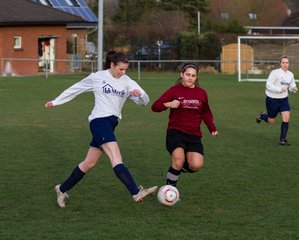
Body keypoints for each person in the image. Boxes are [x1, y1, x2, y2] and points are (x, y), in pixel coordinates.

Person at [45, 50, 157, 208]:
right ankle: (135, 191)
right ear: (112, 65)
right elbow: (75, 88)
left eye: (125, 69)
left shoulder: (127, 81)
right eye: (120, 69)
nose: (123, 72)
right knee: (116, 156)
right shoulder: (97, 77)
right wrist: (56, 102)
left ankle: (61, 189)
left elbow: (144, 101)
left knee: (89, 163)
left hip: (111, 124)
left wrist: (139, 95)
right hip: (99, 121)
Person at [151, 62, 218, 187]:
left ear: (196, 77)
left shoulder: (201, 93)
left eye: (193, 75)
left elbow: (206, 113)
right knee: (179, 160)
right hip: (175, 132)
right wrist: (168, 104)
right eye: (187, 74)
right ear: (182, 74)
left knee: (196, 165)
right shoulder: (174, 90)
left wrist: (212, 128)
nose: (190, 78)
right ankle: (169, 190)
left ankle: (176, 169)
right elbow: (155, 107)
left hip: (194, 135)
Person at [256, 56, 298, 146]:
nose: (285, 64)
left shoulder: (290, 74)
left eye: (287, 62)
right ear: (280, 63)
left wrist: (293, 88)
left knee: (286, 118)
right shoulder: (275, 73)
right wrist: (279, 89)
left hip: (284, 100)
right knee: (271, 121)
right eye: (283, 62)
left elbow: (291, 85)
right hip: (272, 100)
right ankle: (262, 116)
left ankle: (283, 139)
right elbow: (268, 85)